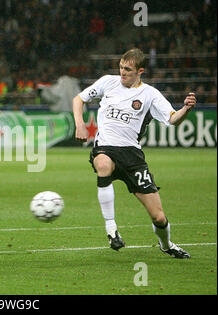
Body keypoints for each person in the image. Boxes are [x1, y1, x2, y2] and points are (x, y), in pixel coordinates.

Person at [72, 48, 196, 259]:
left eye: (127, 70)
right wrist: (80, 124)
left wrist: (185, 109)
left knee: (159, 217)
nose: (122, 73)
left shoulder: (150, 94)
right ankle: (112, 230)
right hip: (106, 147)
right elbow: (79, 99)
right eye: (120, 67)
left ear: (140, 71)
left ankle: (166, 245)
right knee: (102, 165)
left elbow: (173, 119)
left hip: (132, 156)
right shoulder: (108, 82)